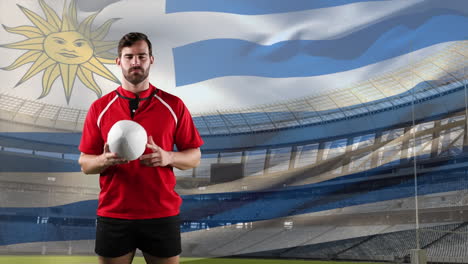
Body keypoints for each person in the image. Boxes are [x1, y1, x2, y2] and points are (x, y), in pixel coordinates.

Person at [78, 32, 203, 264]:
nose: (135, 62)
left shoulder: (173, 105)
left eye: (141, 56)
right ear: (119, 62)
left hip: (161, 213)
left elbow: (194, 157)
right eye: (129, 57)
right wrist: (102, 161)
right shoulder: (100, 108)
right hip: (114, 214)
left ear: (151, 60)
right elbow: (85, 164)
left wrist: (169, 157)